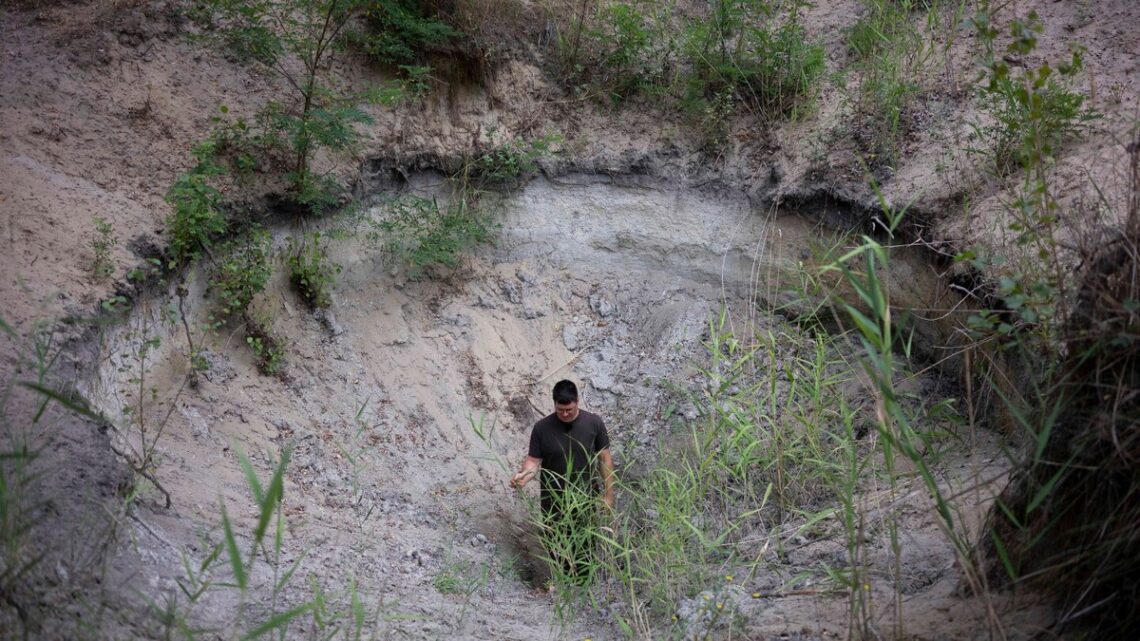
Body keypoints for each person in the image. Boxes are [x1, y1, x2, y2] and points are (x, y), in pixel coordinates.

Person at [510, 379, 614, 580]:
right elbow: (533, 461)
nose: (565, 414)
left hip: (585, 499)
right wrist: (524, 476)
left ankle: (584, 586)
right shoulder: (542, 428)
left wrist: (609, 494)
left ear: (577, 402)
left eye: (569, 410)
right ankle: (562, 585)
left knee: (585, 548)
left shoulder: (594, 423)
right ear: (554, 404)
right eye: (560, 410)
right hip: (553, 503)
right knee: (557, 549)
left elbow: (605, 459)